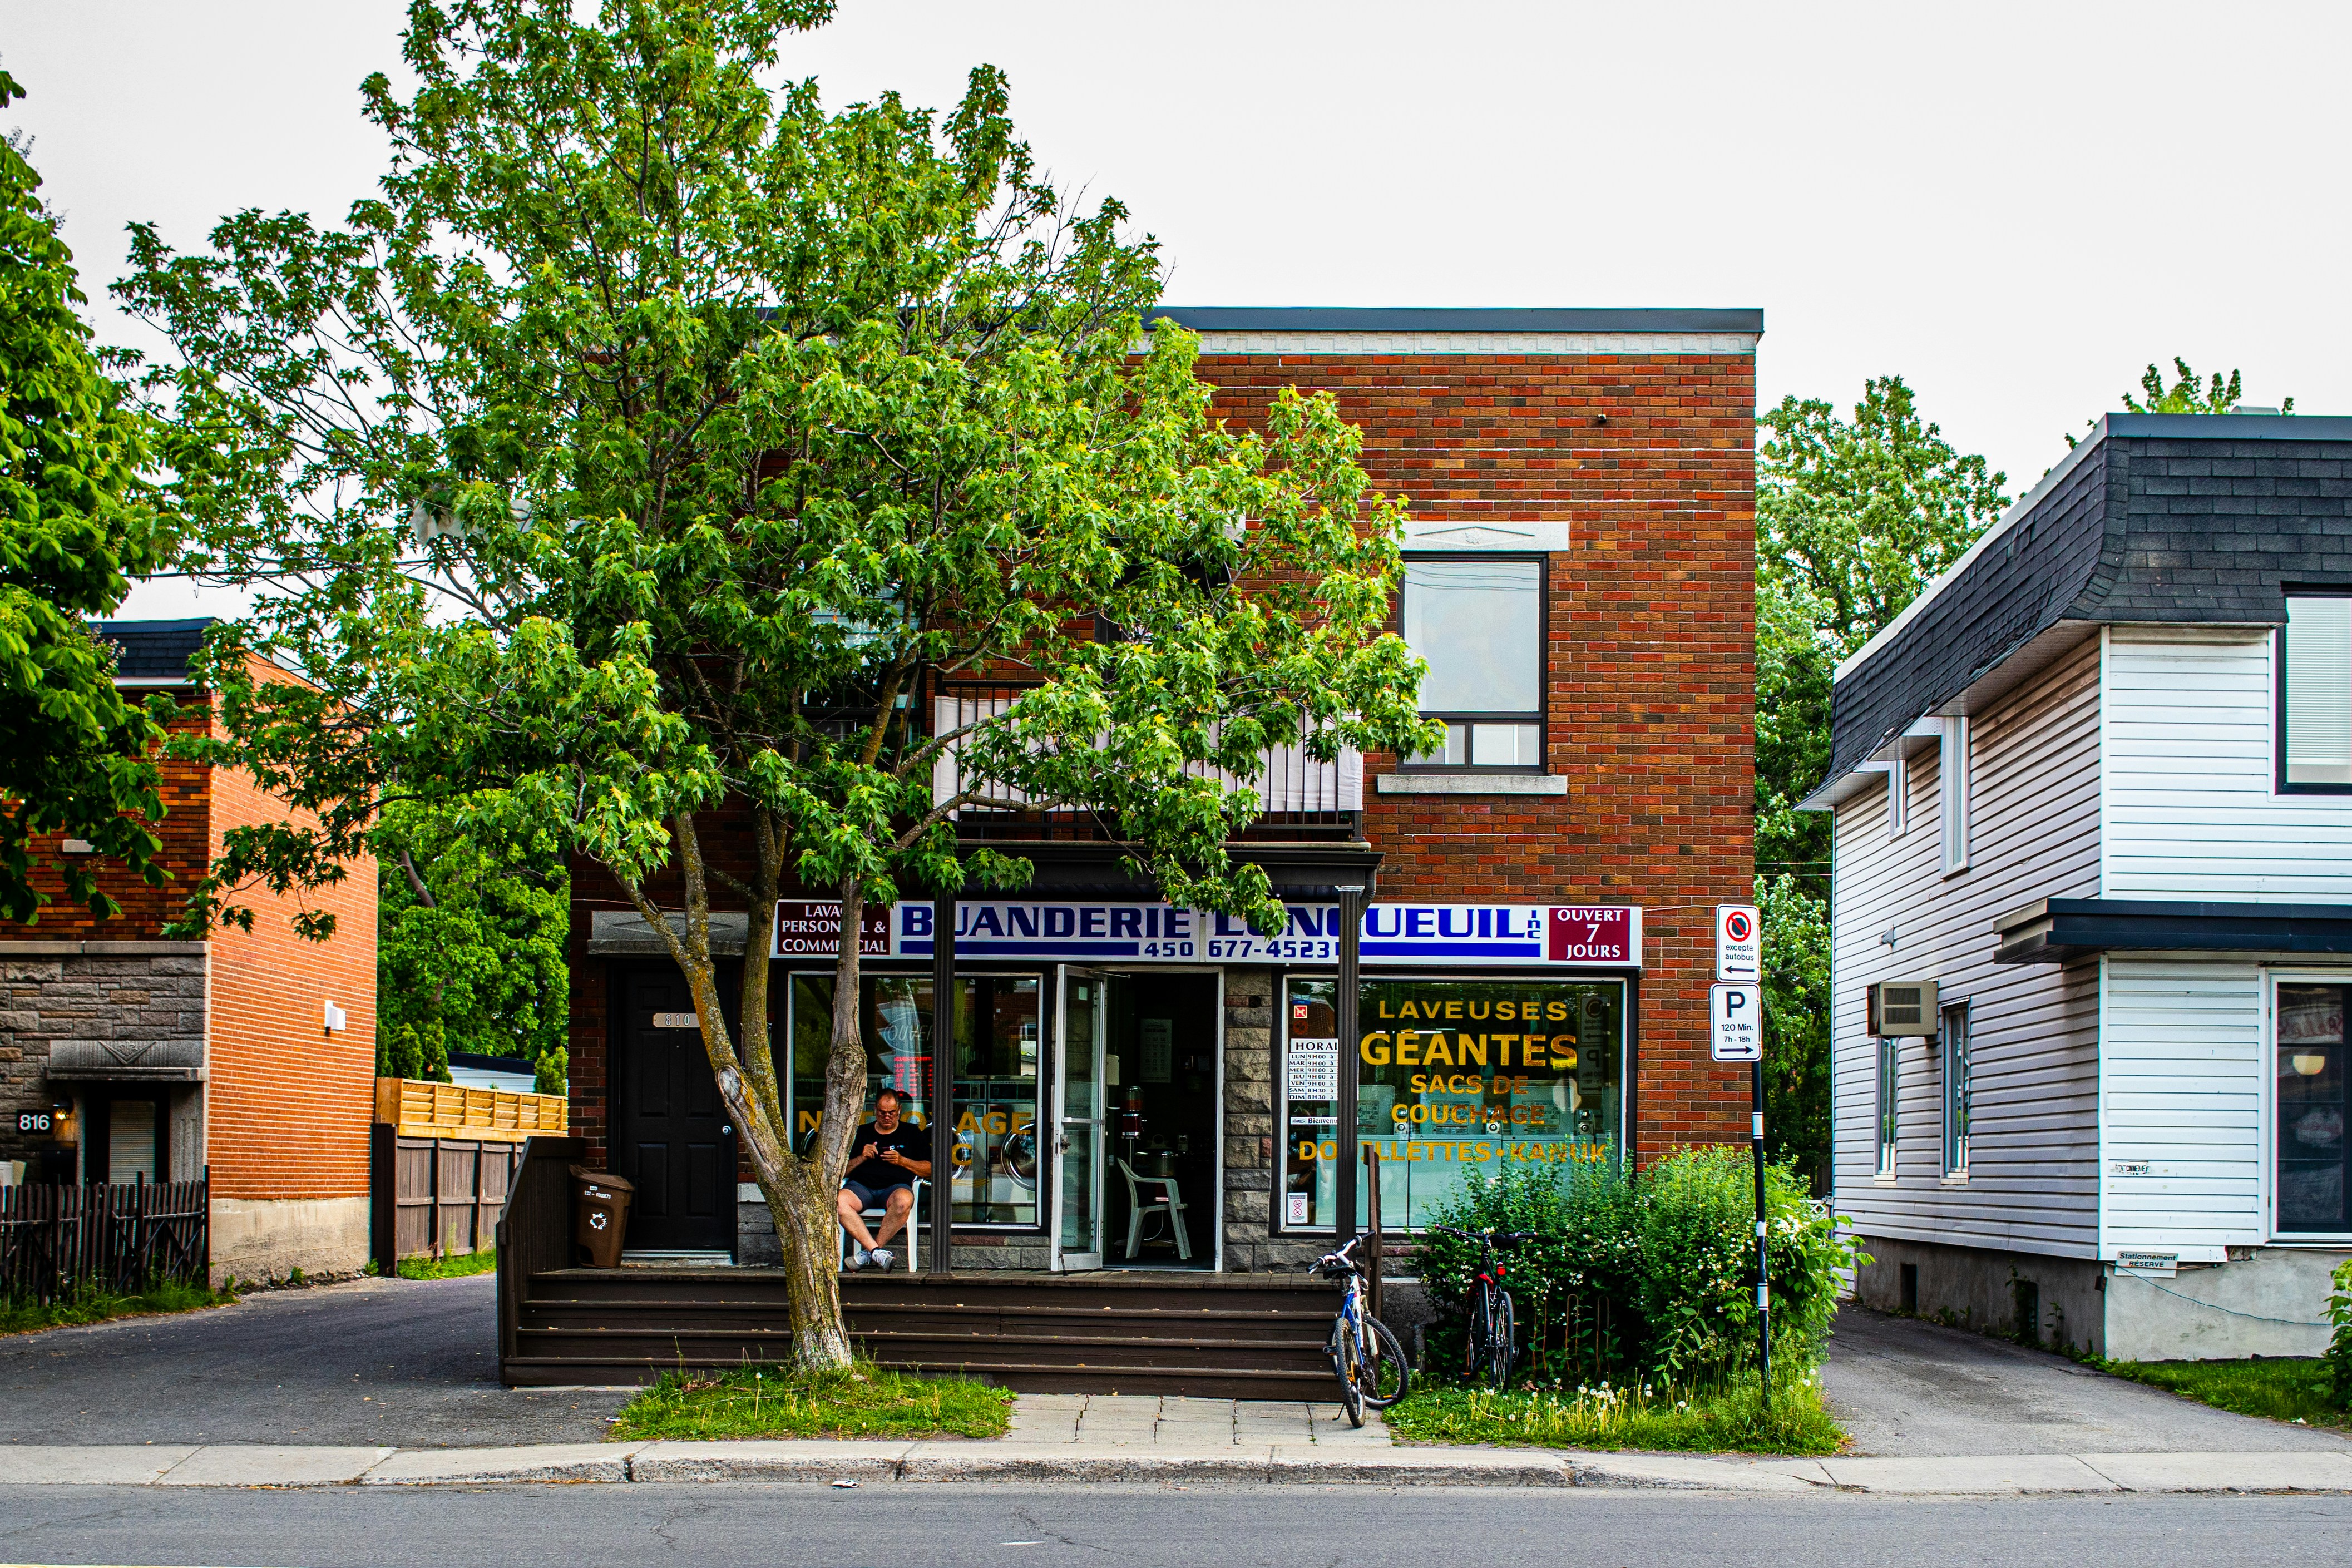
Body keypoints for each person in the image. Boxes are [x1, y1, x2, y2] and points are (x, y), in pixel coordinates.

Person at [836, 1088, 932, 1270]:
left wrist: (902, 1161)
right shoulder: (862, 1133)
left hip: (894, 1188)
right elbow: (840, 1172)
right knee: (838, 1202)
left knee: (904, 1201)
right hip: (861, 1187)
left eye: (891, 1113)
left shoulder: (911, 1133)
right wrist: (861, 1158)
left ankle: (868, 1254)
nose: (887, 1116)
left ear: (899, 1111)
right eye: (882, 1112)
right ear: (875, 1110)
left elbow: (930, 1169)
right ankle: (876, 1252)